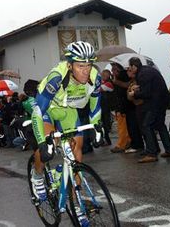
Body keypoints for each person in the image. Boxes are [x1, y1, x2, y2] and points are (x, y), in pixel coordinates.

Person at [31, 41, 102, 226]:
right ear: (70, 65)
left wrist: (96, 126)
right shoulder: (56, 78)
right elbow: (38, 111)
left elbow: (95, 105)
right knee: (48, 146)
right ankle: (37, 176)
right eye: (80, 66)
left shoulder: (95, 77)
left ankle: (77, 206)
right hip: (46, 109)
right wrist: (42, 142)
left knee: (76, 157)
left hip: (67, 109)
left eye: (89, 65)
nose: (86, 71)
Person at [129, 57, 170, 163]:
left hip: (155, 103)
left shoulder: (142, 74)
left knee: (146, 125)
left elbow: (147, 93)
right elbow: (149, 88)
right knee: (160, 125)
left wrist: (134, 93)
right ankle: (169, 150)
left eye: (130, 67)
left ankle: (151, 153)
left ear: (134, 66)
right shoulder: (147, 70)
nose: (130, 70)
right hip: (162, 101)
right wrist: (139, 89)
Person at [109, 62, 132, 153]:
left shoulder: (121, 77)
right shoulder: (119, 77)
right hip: (122, 105)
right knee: (124, 126)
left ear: (118, 69)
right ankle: (127, 142)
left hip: (122, 106)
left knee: (122, 127)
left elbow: (124, 87)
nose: (112, 71)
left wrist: (115, 81)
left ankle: (121, 144)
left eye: (114, 69)